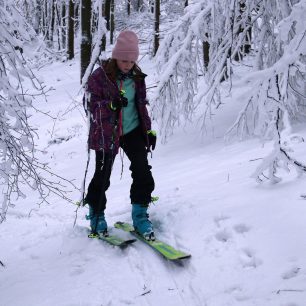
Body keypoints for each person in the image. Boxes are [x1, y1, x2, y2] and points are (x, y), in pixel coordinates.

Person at [84, 30, 156, 241]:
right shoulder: (100, 77)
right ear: (116, 57)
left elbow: (141, 106)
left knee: (143, 171)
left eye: (132, 61)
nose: (127, 64)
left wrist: (149, 131)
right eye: (124, 60)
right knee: (102, 175)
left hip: (132, 131)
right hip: (107, 133)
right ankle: (96, 214)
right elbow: (90, 104)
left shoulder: (137, 77)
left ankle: (140, 214)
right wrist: (111, 105)